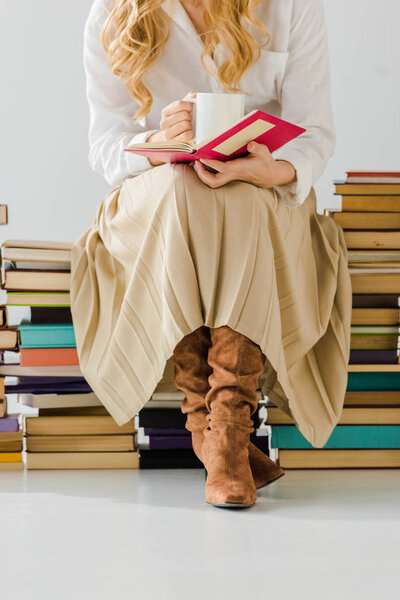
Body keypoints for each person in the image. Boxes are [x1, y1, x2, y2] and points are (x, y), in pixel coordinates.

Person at [70, 0, 352, 508]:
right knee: (183, 189)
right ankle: (223, 436)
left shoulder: (292, 6)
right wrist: (159, 140)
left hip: (264, 196)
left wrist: (268, 170)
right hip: (156, 202)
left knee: (238, 199)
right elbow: (105, 145)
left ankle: (221, 430)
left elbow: (315, 132)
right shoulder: (111, 12)